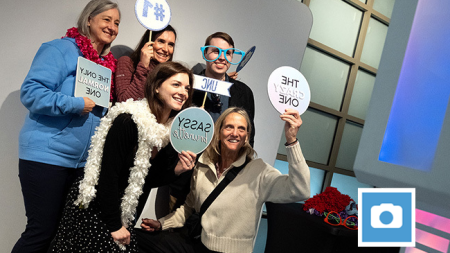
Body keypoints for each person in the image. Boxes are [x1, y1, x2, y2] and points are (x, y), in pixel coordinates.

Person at [50, 61, 197, 252]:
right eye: (176, 85)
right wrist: (114, 225)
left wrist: (176, 171)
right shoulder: (128, 120)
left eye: (187, 88)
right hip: (95, 204)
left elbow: (146, 179)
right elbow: (108, 175)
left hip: (123, 209)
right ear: (157, 87)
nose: (183, 92)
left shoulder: (169, 133)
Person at [14, 1, 120, 252]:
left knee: (64, 234)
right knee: (41, 231)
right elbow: (31, 93)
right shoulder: (60, 49)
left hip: (82, 164)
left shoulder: (106, 64)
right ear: (89, 19)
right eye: (106, 19)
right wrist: (72, 104)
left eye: (117, 23)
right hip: (46, 157)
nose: (112, 26)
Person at [136, 107, 311, 253]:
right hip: (199, 245)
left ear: (246, 137)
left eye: (241, 129)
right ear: (219, 133)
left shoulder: (259, 171)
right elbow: (189, 208)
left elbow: (300, 190)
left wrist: (291, 141)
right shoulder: (203, 165)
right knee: (135, 238)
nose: (235, 133)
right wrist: (161, 224)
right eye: (229, 127)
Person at [192, 32, 256, 147]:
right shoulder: (189, 86)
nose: (222, 58)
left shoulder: (244, 92)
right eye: (216, 51)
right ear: (204, 53)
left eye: (228, 53)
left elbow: (248, 136)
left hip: (227, 162)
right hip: (191, 159)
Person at [115, 25, 177, 102]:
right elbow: (125, 102)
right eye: (161, 41)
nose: (165, 49)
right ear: (148, 41)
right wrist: (143, 67)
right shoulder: (127, 63)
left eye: (170, 44)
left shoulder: (172, 75)